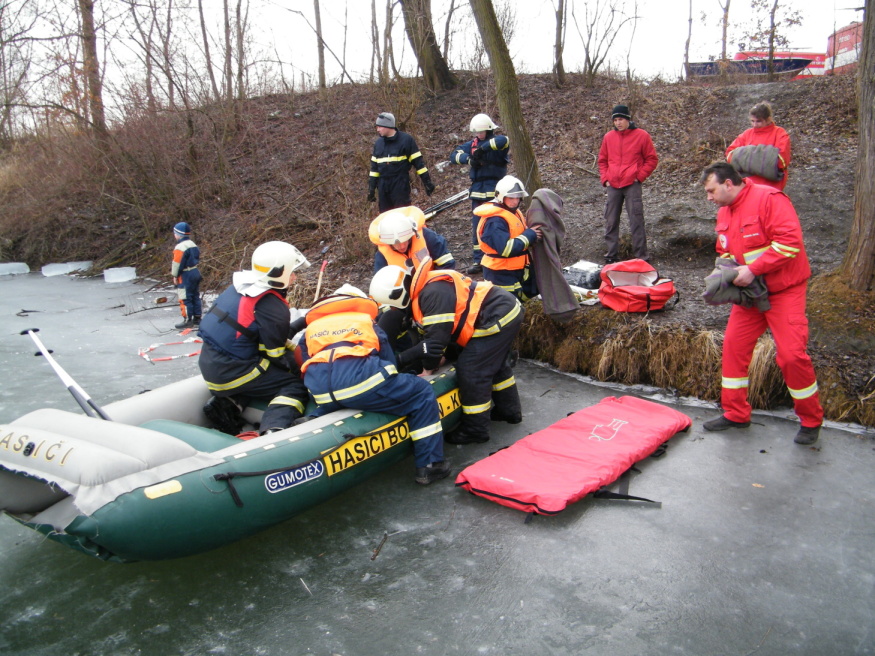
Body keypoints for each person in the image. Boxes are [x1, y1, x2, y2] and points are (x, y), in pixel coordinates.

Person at [699, 162, 823, 445]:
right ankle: (736, 413)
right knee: (733, 347)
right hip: (750, 294)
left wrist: (753, 269)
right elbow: (725, 248)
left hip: (784, 291)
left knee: (791, 356)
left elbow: (790, 243)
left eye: (711, 190)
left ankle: (811, 419)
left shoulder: (769, 199)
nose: (709, 197)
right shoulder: (724, 212)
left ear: (729, 184)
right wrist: (725, 272)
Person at [298, 291, 450, 485]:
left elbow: (305, 362)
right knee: (421, 392)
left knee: (340, 393)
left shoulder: (311, 330)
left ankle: (316, 416)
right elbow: (388, 365)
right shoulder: (366, 322)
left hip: (321, 390)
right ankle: (430, 465)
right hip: (362, 382)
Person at [370, 257, 524, 445]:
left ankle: (475, 430)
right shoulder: (424, 289)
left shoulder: (431, 294)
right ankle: (509, 411)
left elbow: (436, 341)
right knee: (495, 363)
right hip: (499, 310)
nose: (393, 310)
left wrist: (428, 368)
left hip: (495, 315)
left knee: (472, 369)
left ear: (397, 295)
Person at [198, 241, 311, 436]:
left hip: (212, 364)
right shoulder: (272, 306)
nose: (295, 276)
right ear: (278, 272)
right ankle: (274, 428)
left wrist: (302, 322)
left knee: (266, 372)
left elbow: (258, 335)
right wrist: (299, 369)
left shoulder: (240, 287)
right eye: (292, 271)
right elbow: (275, 354)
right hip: (234, 371)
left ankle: (228, 404)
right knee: (294, 384)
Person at [449, 113, 510, 274]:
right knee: (478, 228)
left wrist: (482, 150)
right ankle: (479, 260)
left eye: (481, 132)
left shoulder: (496, 144)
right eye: (476, 133)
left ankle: (498, 255)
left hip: (495, 190)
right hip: (477, 191)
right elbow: (453, 155)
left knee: (496, 225)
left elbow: (503, 141)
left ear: (489, 130)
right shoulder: (472, 144)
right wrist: (469, 160)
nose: (478, 135)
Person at [597, 104, 659, 263]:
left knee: (636, 220)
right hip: (613, 185)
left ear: (628, 119)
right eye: (615, 120)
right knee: (611, 221)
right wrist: (605, 178)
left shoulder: (642, 136)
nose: (618, 123)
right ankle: (611, 256)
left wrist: (640, 176)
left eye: (621, 119)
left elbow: (652, 159)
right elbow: (602, 160)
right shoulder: (608, 137)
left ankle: (641, 257)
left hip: (632, 184)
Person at [474, 175, 541, 300]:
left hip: (514, 269)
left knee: (522, 299)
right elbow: (506, 249)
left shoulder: (512, 212)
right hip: (500, 273)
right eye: (511, 198)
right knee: (506, 307)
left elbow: (516, 234)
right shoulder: (495, 221)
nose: (515, 201)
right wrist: (529, 235)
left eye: (517, 198)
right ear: (501, 197)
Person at [368, 112, 435, 212]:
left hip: (400, 183)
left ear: (388, 125)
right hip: (383, 185)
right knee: (386, 217)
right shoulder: (378, 143)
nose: (377, 130)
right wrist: (371, 189)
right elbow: (374, 169)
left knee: (402, 214)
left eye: (379, 127)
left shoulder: (406, 140)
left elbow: (419, 164)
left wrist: (427, 182)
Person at [725, 101, 791, 191]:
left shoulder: (779, 133)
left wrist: (746, 156)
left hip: (771, 186)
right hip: (747, 185)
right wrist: (765, 157)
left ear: (768, 119)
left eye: (759, 121)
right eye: (752, 121)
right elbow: (730, 155)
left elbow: (781, 161)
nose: (755, 125)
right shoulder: (747, 134)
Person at [368, 205, 455, 273]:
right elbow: (382, 283)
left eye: (404, 241)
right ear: (387, 242)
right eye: (396, 244)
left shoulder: (427, 236)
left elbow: (447, 264)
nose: (401, 246)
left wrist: (434, 286)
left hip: (432, 286)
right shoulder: (382, 255)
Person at [171, 222, 202, 329]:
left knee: (185, 297)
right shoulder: (193, 244)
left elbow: (177, 264)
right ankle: (197, 318)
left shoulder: (180, 247)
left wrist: (175, 275)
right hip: (195, 271)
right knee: (195, 296)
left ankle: (188, 320)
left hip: (186, 274)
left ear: (178, 234)